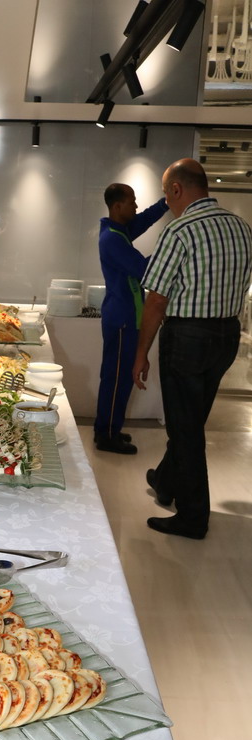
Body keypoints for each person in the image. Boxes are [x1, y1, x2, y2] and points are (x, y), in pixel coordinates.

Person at [133, 158, 252, 539]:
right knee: (192, 419)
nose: (167, 202)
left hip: (187, 337)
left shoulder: (180, 230)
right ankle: (165, 479)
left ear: (177, 189)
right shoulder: (241, 227)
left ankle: (193, 517)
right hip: (227, 335)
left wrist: (141, 353)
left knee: (186, 429)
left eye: (166, 194)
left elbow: (156, 300)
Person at [95, 183, 169, 454]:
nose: (136, 207)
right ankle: (106, 435)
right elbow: (143, 269)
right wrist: (170, 249)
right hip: (122, 319)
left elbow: (144, 219)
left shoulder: (119, 230)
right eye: (132, 203)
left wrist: (165, 202)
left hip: (126, 316)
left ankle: (110, 428)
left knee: (120, 377)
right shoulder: (112, 239)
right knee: (116, 379)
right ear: (117, 207)